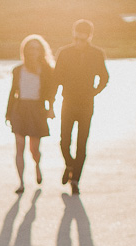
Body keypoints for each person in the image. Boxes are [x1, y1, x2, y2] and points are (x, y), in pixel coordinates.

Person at [55, 19, 109, 195]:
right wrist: (49, 101)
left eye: (83, 39)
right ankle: (70, 165)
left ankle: (75, 180)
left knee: (82, 144)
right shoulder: (64, 53)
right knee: (64, 141)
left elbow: (104, 77)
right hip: (68, 102)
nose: (79, 42)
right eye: (76, 38)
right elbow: (56, 77)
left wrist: (94, 92)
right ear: (73, 35)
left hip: (87, 104)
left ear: (90, 37)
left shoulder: (97, 54)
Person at [5, 34, 56, 194]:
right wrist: (7, 113)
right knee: (19, 147)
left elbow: (51, 92)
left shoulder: (46, 70)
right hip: (19, 109)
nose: (33, 51)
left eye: (36, 48)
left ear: (41, 51)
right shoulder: (18, 70)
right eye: (30, 48)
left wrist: (51, 109)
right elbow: (13, 92)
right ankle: (21, 183)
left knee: (34, 149)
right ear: (25, 51)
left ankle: (37, 166)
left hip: (37, 110)